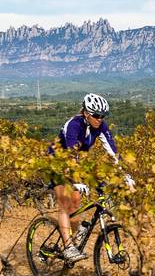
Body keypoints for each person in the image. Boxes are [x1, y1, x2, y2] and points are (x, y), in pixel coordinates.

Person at [48, 93, 134, 263]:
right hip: (57, 162)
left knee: (76, 204)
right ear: (86, 113)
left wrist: (125, 176)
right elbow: (72, 154)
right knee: (65, 203)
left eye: (103, 116)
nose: (100, 119)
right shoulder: (73, 125)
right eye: (96, 115)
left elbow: (113, 152)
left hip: (76, 164)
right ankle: (68, 247)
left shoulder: (100, 127)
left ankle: (74, 231)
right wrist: (76, 180)